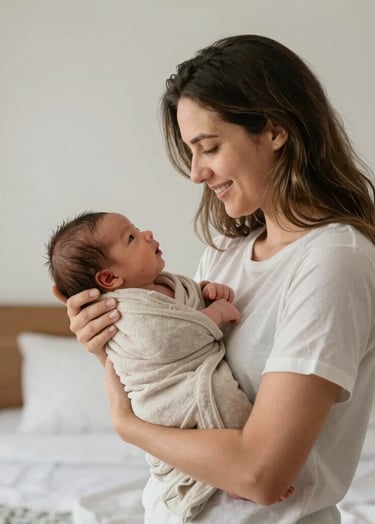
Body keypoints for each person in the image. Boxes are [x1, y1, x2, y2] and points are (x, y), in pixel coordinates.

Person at [53, 34, 375, 524]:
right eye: (191, 151)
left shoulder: (334, 262)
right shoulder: (226, 254)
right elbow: (177, 383)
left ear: (274, 131)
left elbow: (261, 475)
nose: (196, 173)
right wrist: (113, 344)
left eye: (209, 147)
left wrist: (125, 424)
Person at [47, 210, 256, 521]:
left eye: (136, 229)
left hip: (195, 377)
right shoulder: (125, 313)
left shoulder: (161, 285)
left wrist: (208, 293)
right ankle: (234, 477)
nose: (146, 234)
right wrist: (217, 315)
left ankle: (243, 472)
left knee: (230, 410)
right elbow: (171, 339)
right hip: (166, 396)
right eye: (131, 238)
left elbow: (187, 306)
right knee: (227, 405)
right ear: (109, 278)